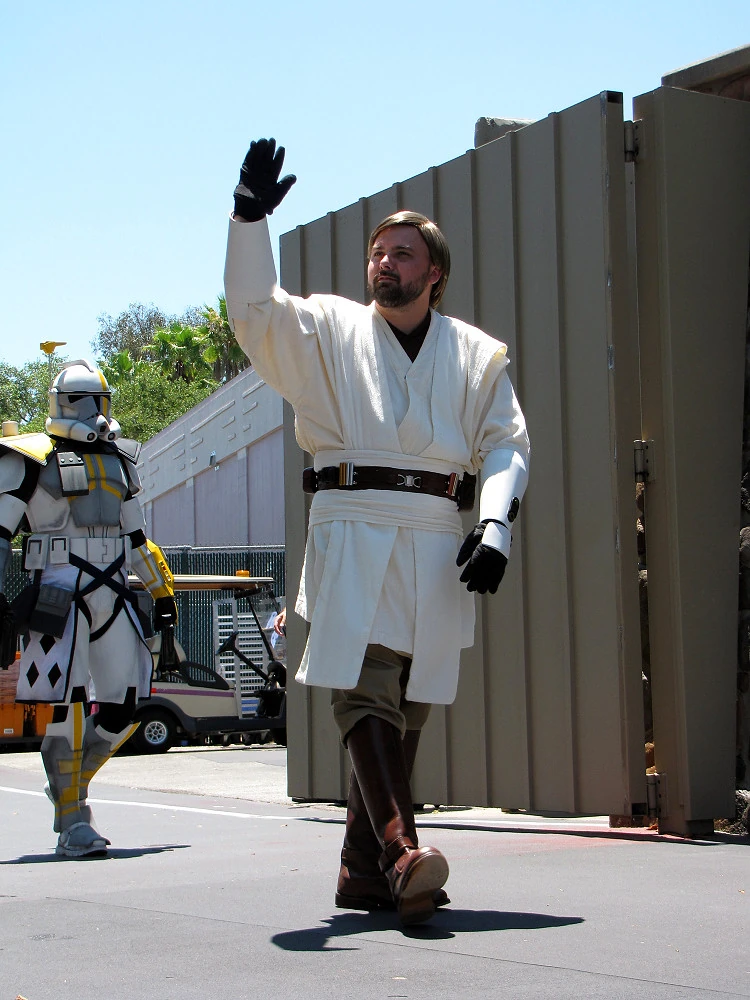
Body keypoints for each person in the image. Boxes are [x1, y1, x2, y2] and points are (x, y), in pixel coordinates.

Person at [224, 139, 529, 925]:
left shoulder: (476, 354)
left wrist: (495, 521)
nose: (384, 263)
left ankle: (361, 872)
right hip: (350, 527)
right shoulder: (326, 330)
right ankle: (401, 850)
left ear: (435, 273)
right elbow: (253, 312)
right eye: (377, 252)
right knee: (365, 691)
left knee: (411, 703)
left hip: (436, 534)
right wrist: (248, 220)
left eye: (402, 253)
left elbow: (506, 444)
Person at [0, 360, 177, 857]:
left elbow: (137, 539)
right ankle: (73, 820)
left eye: (99, 401)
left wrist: (162, 593)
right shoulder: (28, 458)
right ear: (60, 403)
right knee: (70, 702)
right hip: (59, 593)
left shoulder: (120, 461)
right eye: (81, 401)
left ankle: (68, 785)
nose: (92, 411)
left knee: (125, 705)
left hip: (113, 591)